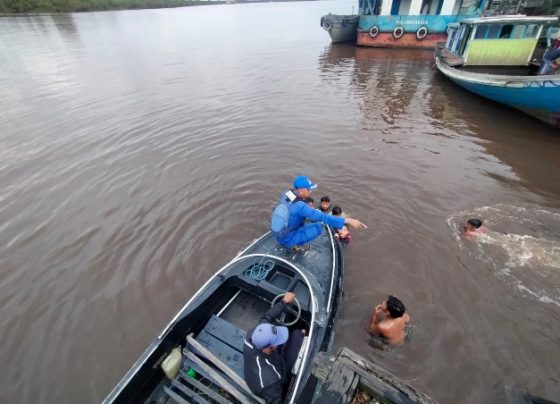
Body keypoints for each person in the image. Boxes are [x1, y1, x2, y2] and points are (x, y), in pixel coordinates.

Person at [273, 176, 366, 249]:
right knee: (318, 227)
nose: (310, 191)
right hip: (287, 238)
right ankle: (295, 246)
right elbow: (324, 217)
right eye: (309, 189)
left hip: (279, 232)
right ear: (301, 190)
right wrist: (348, 220)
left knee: (299, 220)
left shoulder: (286, 193)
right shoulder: (301, 207)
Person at [243, 292, 305, 404]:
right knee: (298, 335)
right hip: (271, 379)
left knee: (294, 334)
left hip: (257, 367)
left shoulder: (252, 335)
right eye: (277, 341)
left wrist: (283, 302)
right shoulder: (271, 383)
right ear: (267, 349)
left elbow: (267, 317)